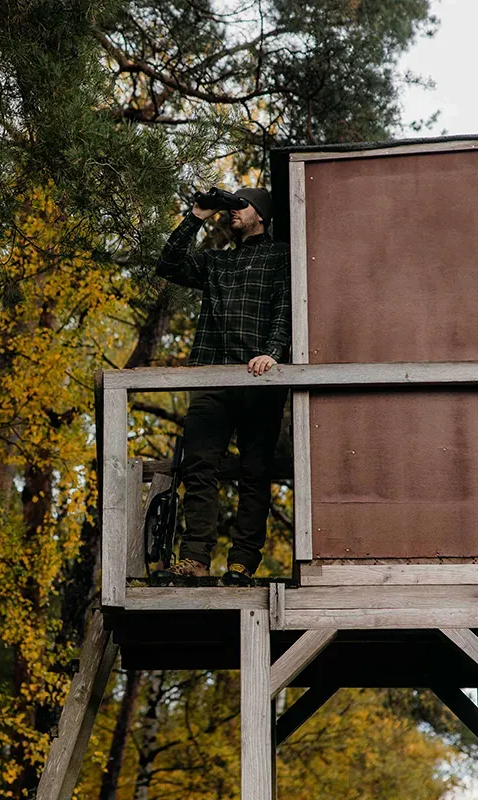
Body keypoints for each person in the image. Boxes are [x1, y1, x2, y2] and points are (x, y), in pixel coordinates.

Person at [155, 186, 291, 584]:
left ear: (261, 214)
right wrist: (196, 214)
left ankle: (242, 562)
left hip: (260, 378)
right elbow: (169, 264)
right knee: (198, 465)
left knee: (255, 470)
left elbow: (286, 307)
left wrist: (273, 352)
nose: (233, 211)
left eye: (241, 204)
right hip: (212, 375)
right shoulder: (217, 263)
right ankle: (195, 558)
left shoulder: (279, 255)